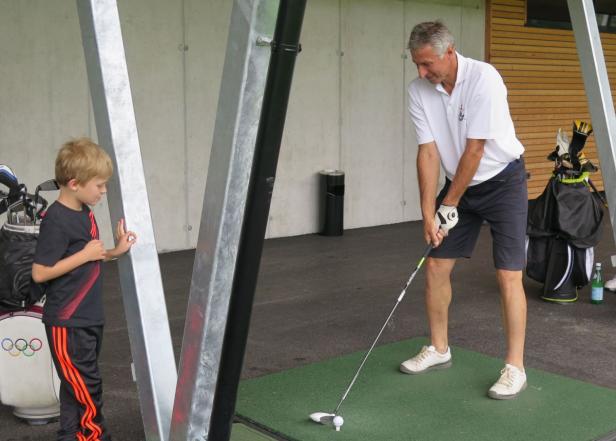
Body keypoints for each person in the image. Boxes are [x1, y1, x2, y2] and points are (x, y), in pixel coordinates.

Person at [399, 21, 528, 400]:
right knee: (436, 266)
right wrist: (428, 211)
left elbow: (476, 149)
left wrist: (448, 205)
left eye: (427, 65)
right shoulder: (418, 90)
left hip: (503, 181)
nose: (422, 73)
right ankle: (439, 349)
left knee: (508, 275)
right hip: (459, 185)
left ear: (449, 52)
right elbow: (428, 151)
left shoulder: (484, 78)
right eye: (417, 65)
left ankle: (515, 367)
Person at [32, 138, 136, 440]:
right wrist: (84, 255)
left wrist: (117, 250)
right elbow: (40, 273)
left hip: (89, 318)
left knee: (74, 388)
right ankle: (96, 436)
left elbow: (93, 255)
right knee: (87, 389)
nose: (103, 191)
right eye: (99, 185)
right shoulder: (56, 220)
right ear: (75, 183)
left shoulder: (83, 212)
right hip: (67, 323)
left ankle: (71, 436)